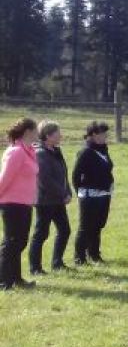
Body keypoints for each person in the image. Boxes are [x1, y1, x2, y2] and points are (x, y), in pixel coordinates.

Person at [0, 118, 40, 290]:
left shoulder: (30, 151)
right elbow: (4, 178)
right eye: (36, 130)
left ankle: (16, 278)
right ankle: (3, 281)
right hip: (12, 203)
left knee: (20, 242)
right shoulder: (16, 152)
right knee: (11, 242)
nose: (38, 133)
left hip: (25, 203)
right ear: (28, 132)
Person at [29, 121, 72, 275]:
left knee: (65, 230)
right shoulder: (40, 153)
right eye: (57, 133)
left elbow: (63, 174)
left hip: (58, 199)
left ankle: (57, 262)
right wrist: (63, 194)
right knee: (41, 234)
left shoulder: (55, 151)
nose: (61, 135)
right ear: (48, 136)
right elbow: (45, 180)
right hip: (45, 201)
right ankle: (35, 268)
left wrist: (68, 191)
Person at [72, 121, 113, 266]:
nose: (106, 136)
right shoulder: (86, 152)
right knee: (86, 227)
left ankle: (94, 254)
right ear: (94, 135)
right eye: (103, 133)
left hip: (104, 194)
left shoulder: (103, 150)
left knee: (98, 225)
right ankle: (79, 257)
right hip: (89, 195)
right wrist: (80, 193)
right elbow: (76, 175)